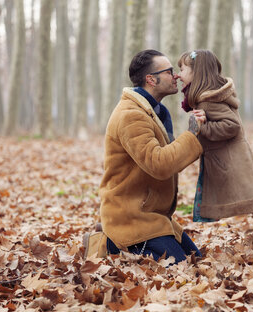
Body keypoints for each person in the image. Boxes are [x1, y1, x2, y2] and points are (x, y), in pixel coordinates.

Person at [83, 49, 206, 263]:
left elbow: (169, 159)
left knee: (197, 259)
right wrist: (192, 134)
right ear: (151, 79)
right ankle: (106, 242)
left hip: (152, 214)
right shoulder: (131, 115)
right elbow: (159, 164)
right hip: (131, 217)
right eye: (169, 71)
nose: (176, 75)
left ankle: (111, 238)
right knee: (181, 268)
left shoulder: (154, 111)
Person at [177, 49, 253, 259]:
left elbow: (232, 126)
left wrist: (203, 127)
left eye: (182, 69)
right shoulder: (208, 97)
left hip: (234, 164)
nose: (178, 74)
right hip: (232, 161)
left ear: (197, 72)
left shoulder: (209, 100)